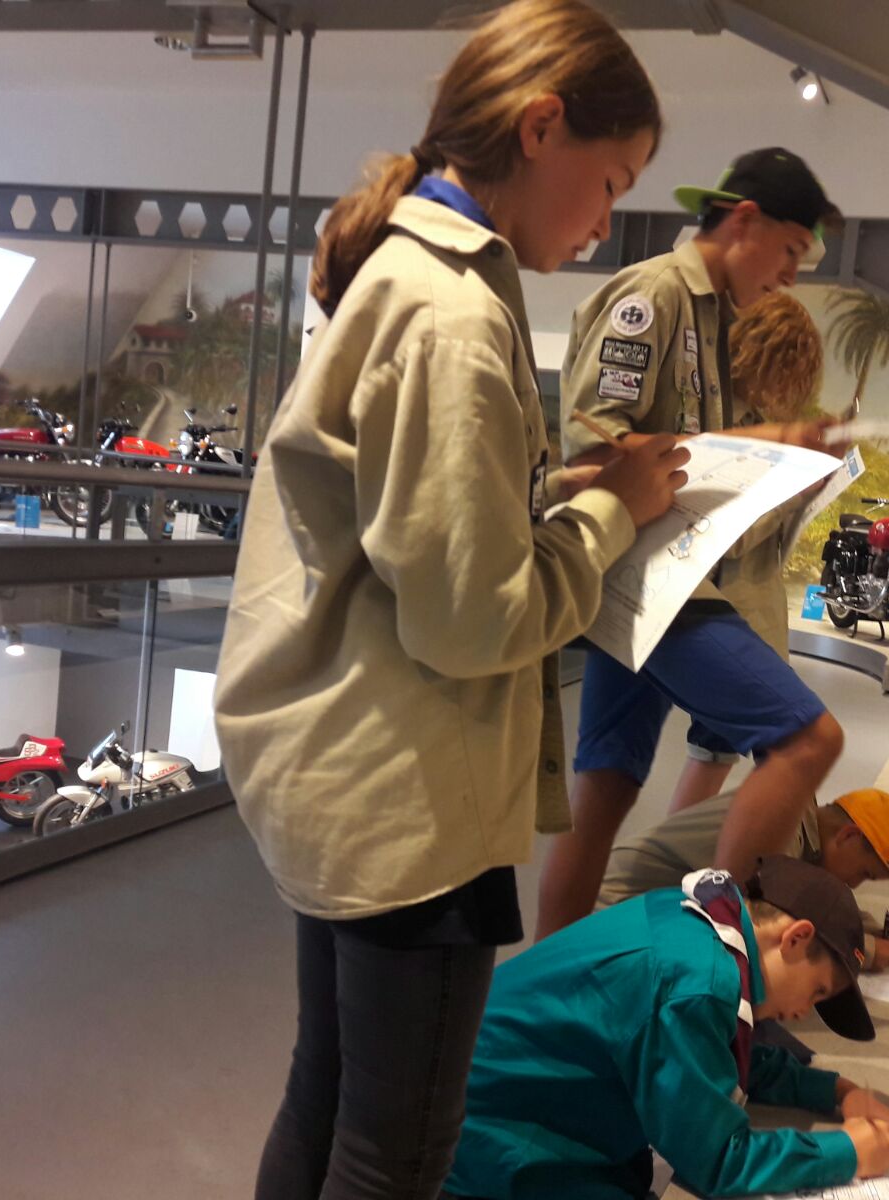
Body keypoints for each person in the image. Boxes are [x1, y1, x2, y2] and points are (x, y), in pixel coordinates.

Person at [212, 4, 685, 1196]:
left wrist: (557, 495)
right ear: (542, 126)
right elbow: (471, 623)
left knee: (327, 1094)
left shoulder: (410, 276)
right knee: (396, 1151)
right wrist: (610, 517)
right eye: (611, 181)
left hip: (350, 767)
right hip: (409, 796)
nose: (605, 220)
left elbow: (413, 529)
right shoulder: (454, 314)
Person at [536, 148, 848, 939]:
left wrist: (782, 457)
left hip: (655, 574)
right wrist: (772, 440)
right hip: (648, 577)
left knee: (606, 788)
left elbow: (687, 453)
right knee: (808, 740)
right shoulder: (652, 299)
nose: (789, 275)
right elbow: (597, 451)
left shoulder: (712, 319)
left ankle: (548, 974)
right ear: (744, 220)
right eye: (789, 250)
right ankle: (721, 951)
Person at [443, 856, 889, 1200]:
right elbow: (718, 1161)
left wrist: (838, 1091)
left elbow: (719, 1053)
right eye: (817, 991)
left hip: (498, 1103)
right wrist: (847, 1152)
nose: (805, 1011)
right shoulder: (696, 985)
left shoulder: (704, 921)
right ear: (796, 938)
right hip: (490, 1144)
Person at [668, 290, 829, 814]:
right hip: (728, 611)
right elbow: (727, 533)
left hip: (738, 609)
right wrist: (796, 494)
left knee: (715, 749)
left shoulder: (738, 418)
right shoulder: (732, 430)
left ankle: (677, 857)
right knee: (786, 742)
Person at [602, 787, 889, 970]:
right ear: (848, 836)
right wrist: (866, 952)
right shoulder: (781, 832)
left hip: (646, 912)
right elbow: (770, 931)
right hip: (615, 918)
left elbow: (807, 897)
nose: (854, 884)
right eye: (865, 873)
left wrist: (858, 926)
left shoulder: (799, 818)